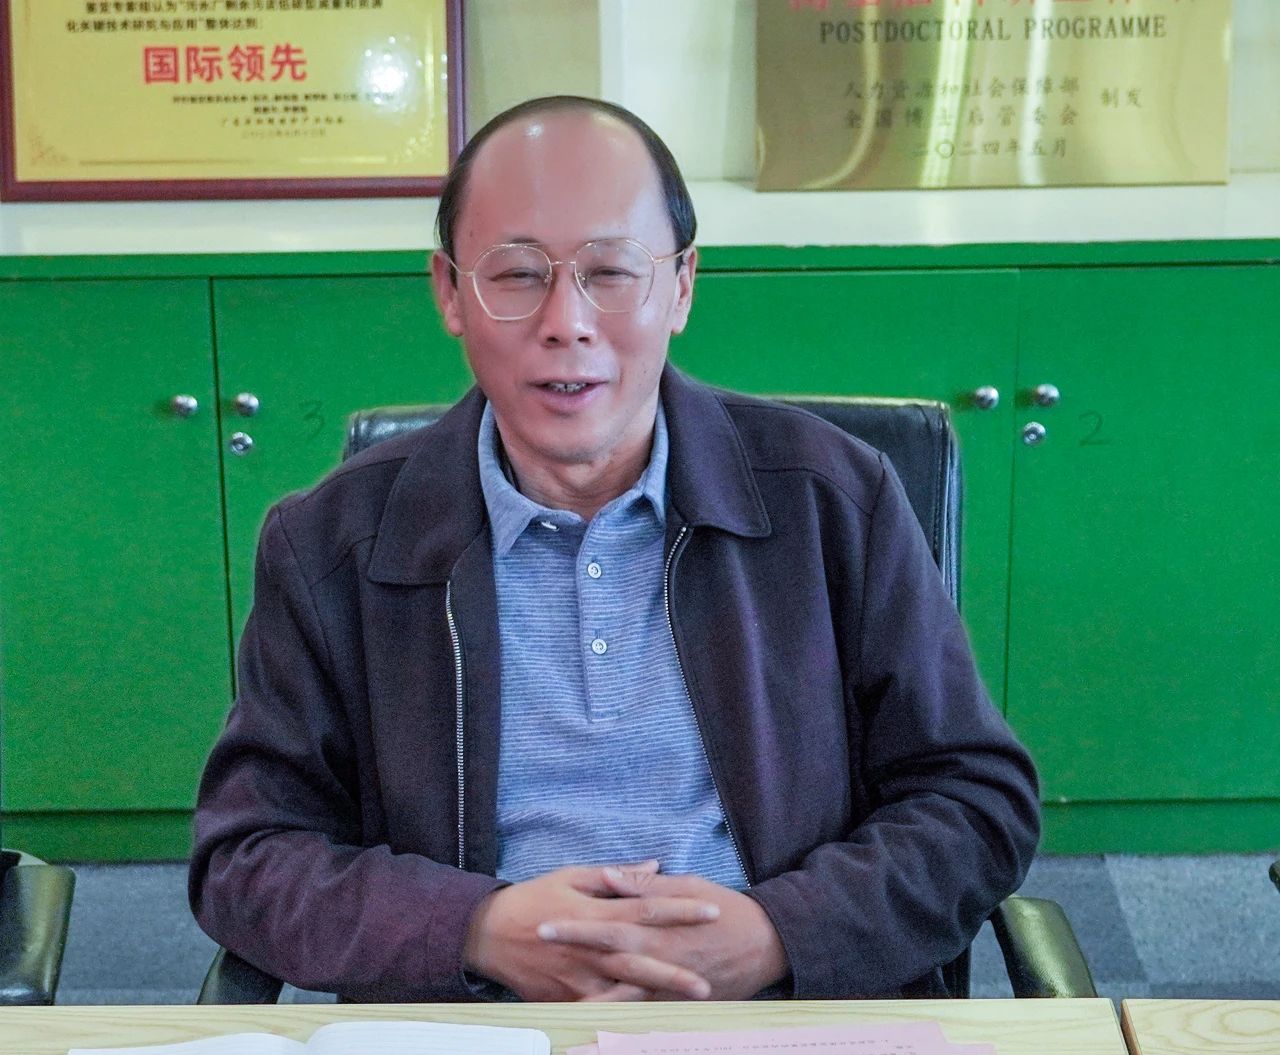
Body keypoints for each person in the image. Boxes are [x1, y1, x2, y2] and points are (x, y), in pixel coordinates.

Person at [190, 95, 1040, 1004]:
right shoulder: (331, 546)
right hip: (474, 1037)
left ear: (682, 284)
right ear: (449, 292)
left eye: (611, 271)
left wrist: (778, 933)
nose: (567, 321)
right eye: (518, 274)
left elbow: (975, 800)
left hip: (778, 1023)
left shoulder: (834, 500)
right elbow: (247, 856)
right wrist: (474, 929)